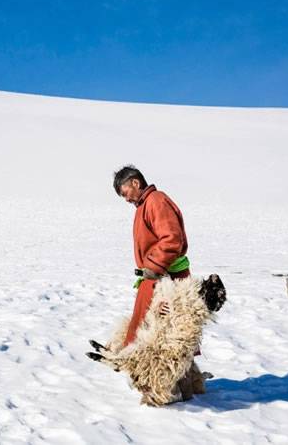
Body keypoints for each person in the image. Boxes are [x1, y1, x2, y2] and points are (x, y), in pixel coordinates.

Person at [113, 165, 205, 401]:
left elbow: (171, 239)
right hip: (159, 277)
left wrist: (153, 269)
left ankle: (162, 389)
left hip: (165, 279)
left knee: (162, 336)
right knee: (166, 332)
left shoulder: (156, 201)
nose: (125, 199)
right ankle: (186, 388)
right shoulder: (147, 203)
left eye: (124, 193)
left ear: (135, 183)